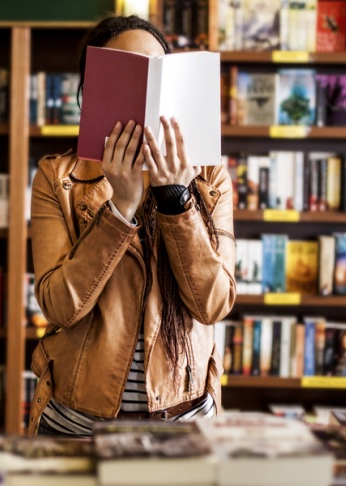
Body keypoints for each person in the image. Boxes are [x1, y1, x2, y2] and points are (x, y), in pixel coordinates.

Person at [27, 15, 236, 437]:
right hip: (78, 427)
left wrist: (176, 198)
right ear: (94, 92)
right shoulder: (58, 178)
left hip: (183, 423)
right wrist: (119, 207)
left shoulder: (209, 178)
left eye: (156, 72)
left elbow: (214, 303)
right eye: (127, 73)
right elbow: (60, 307)